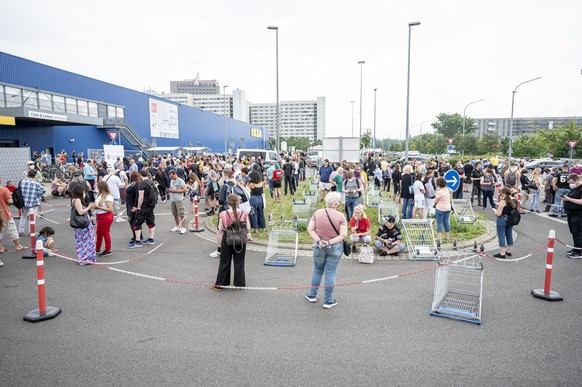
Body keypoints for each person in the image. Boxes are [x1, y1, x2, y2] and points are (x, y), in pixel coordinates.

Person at [304, 192, 347, 309]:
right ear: (336, 203)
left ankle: (312, 295)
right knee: (330, 272)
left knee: (317, 270)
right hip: (334, 247)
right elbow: (343, 235)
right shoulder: (341, 216)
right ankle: (328, 300)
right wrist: (329, 242)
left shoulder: (317, 213)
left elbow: (310, 229)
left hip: (319, 246)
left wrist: (319, 241)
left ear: (327, 202)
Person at [211, 193, 250, 290]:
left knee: (224, 261)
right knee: (239, 262)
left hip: (227, 239)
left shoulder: (223, 213)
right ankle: (239, 284)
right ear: (238, 203)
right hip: (240, 239)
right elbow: (248, 227)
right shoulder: (243, 213)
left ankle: (221, 283)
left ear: (228, 203)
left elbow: (220, 229)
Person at [71, 185, 96, 265]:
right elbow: (81, 212)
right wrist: (89, 207)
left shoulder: (73, 200)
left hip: (78, 223)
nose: (84, 193)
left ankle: (83, 257)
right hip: (83, 224)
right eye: (83, 191)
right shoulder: (78, 200)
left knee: (81, 241)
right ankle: (86, 258)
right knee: (87, 240)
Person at [0, 178, 25, 254]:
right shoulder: (4, 190)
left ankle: (1, 247)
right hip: (5, 213)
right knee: (12, 229)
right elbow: (9, 201)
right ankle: (18, 245)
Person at [18, 169, 46, 236]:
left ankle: (20, 231)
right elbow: (44, 190)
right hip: (33, 202)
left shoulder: (22, 182)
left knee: (23, 216)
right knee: (32, 218)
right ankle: (30, 232)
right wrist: (38, 194)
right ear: (34, 175)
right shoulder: (36, 183)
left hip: (24, 202)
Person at [562, 174, 582, 258]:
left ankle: (579, 252)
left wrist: (568, 199)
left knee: (577, 233)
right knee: (574, 232)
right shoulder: (575, 188)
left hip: (578, 214)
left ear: (577, 180)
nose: (570, 184)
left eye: (571, 182)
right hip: (571, 214)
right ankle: (575, 248)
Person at [493, 187, 517, 258]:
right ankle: (509, 251)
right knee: (509, 234)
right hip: (510, 220)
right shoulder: (512, 201)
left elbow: (499, 213)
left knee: (501, 235)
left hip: (502, 220)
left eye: (501, 193)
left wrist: (495, 211)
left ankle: (502, 253)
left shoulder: (503, 201)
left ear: (503, 193)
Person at [93, 181, 114, 257]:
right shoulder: (100, 195)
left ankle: (108, 249)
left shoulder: (108, 197)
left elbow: (110, 209)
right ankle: (97, 248)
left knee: (105, 233)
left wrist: (98, 207)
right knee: (98, 233)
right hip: (100, 216)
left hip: (106, 216)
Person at [433, 177, 452, 242]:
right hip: (447, 208)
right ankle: (447, 236)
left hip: (440, 208)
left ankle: (439, 237)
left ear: (438, 184)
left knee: (440, 223)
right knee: (446, 222)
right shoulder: (447, 190)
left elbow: (436, 201)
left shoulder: (439, 192)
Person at [168, 169, 187, 234]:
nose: (172, 178)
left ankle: (184, 228)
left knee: (182, 214)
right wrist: (169, 190)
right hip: (173, 199)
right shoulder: (171, 181)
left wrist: (175, 191)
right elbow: (171, 188)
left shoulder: (180, 180)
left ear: (175, 174)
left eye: (172, 176)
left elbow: (185, 190)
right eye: (171, 177)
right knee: (175, 214)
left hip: (179, 200)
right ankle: (177, 226)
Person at [247, 166, 266, 233]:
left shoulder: (252, 184)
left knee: (253, 213)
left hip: (253, 198)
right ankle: (263, 226)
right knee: (261, 213)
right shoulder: (261, 183)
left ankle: (255, 228)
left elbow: (247, 189)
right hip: (260, 198)